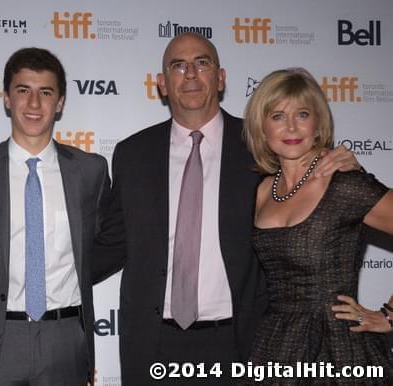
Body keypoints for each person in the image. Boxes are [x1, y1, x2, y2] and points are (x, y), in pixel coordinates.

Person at [93, 32, 360, 385]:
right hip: (152, 346)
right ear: (161, 84)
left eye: (202, 63)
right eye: (178, 66)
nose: (190, 74)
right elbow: (113, 243)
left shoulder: (265, 149)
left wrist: (337, 166)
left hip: (242, 345)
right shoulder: (132, 154)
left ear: (220, 78)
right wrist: (37, 275)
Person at [0, 47, 109, 386]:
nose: (34, 104)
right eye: (23, 91)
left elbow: (104, 245)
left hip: (65, 339)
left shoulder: (90, 171)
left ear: (61, 102)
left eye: (46, 92)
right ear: (7, 98)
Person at [243, 67, 393, 383]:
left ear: (318, 123)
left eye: (302, 113)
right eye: (278, 116)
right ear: (262, 127)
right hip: (277, 345)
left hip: (339, 349)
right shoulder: (260, 190)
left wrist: (389, 315)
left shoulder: (346, 185)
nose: (292, 126)